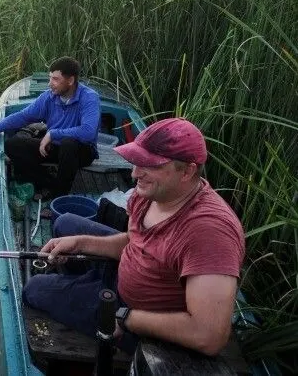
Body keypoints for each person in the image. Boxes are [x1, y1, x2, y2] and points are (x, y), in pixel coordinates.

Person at [22, 118, 245, 356]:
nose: (135, 173)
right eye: (136, 161)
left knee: (34, 289)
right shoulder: (150, 193)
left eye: (149, 165)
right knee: (66, 223)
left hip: (141, 318)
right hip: (126, 273)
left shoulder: (209, 232)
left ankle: (82, 291)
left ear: (187, 171)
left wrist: (128, 319)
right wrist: (80, 243)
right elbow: (134, 242)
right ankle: (85, 282)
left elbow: (208, 335)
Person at [0, 56, 101, 197]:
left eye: (55, 79)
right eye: (50, 78)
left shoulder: (89, 98)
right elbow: (22, 117)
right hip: (52, 147)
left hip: (81, 152)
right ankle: (51, 184)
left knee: (68, 144)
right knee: (12, 145)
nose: (50, 84)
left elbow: (88, 132)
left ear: (70, 81)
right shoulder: (48, 97)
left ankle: (59, 194)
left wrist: (52, 134)